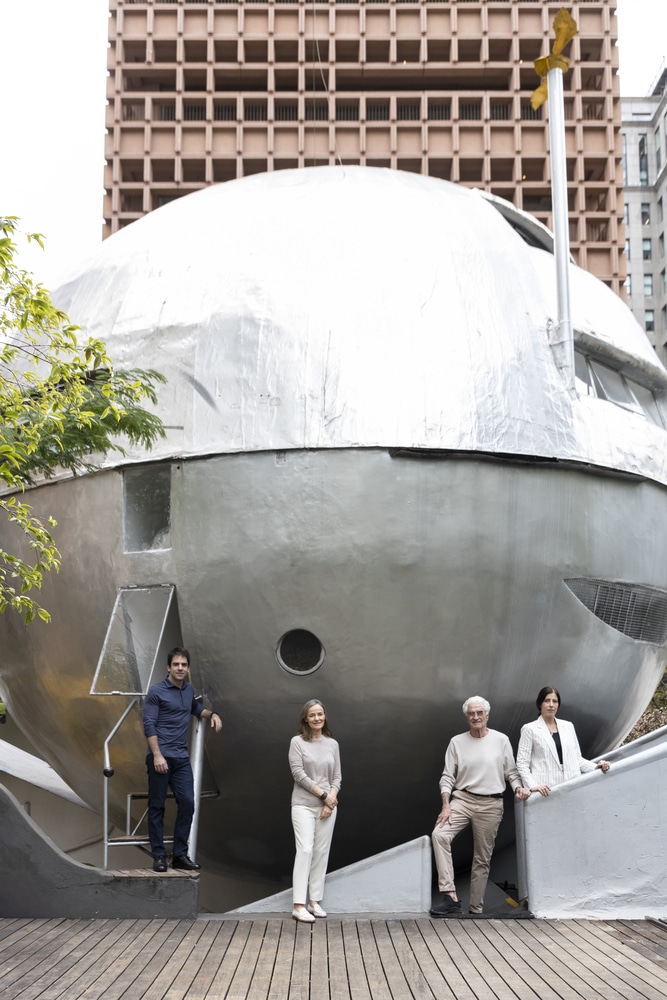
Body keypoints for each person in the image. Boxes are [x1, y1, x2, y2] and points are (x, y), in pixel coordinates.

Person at [430, 696, 530, 917]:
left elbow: (511, 772)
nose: (475, 717)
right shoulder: (457, 742)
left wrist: (518, 788)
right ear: (466, 717)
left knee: (482, 858)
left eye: (479, 713)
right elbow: (447, 777)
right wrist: (446, 805)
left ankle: (476, 909)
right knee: (439, 835)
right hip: (462, 800)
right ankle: (450, 896)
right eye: (471, 714)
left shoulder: (501, 740)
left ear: (487, 715)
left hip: (491, 804)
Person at [143, 646, 222, 872]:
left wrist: (212, 714)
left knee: (188, 803)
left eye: (184, 665)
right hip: (160, 757)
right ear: (168, 667)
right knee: (156, 806)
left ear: (187, 669)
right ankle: (159, 856)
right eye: (176, 664)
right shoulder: (156, 692)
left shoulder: (187, 690)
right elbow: (149, 724)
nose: (180, 668)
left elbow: (196, 708)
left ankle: (179, 855)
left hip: (181, 758)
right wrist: (157, 755)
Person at [288, 699, 341, 922]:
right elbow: (298, 775)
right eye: (312, 715)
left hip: (328, 806)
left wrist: (331, 799)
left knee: (321, 853)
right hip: (303, 805)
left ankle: (314, 902)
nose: (317, 718)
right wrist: (324, 796)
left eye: (320, 714)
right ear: (305, 719)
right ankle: (298, 905)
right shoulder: (297, 742)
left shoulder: (332, 744)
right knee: (306, 850)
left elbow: (337, 777)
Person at [516, 686, 611, 795]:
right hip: (546, 791)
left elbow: (576, 759)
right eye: (547, 700)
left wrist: (595, 767)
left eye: (555, 701)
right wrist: (533, 786)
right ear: (540, 704)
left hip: (573, 787)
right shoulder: (529, 729)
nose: (551, 704)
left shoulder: (568, 726)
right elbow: (522, 763)